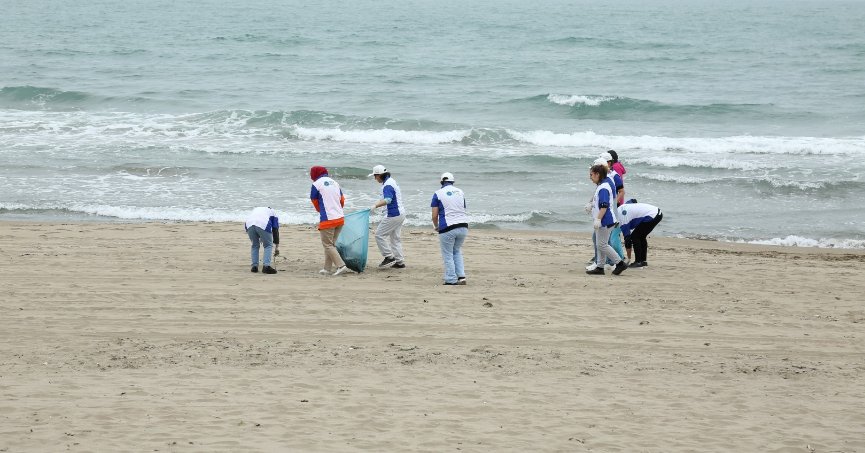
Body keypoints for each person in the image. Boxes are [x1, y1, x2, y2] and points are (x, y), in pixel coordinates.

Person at [587, 164, 627, 276]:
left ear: (597, 174)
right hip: (604, 220)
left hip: (606, 221)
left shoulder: (604, 187)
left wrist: (598, 220)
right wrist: (591, 205)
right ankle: (600, 267)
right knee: (601, 243)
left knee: (602, 244)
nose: (590, 177)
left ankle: (620, 263)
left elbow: (604, 206)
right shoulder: (602, 185)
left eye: (591, 175)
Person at [310, 165, 349, 276]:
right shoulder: (334, 182)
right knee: (331, 244)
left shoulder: (316, 184)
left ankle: (341, 266)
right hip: (340, 218)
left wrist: (320, 211)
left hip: (328, 219)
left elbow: (314, 200)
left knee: (327, 245)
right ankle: (327, 269)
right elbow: (342, 200)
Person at [431, 172, 468, 285]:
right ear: (452, 182)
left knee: (447, 253)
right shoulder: (460, 192)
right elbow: (463, 208)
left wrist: (436, 226)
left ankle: (451, 279)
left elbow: (434, 215)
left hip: (447, 227)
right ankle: (461, 276)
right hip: (463, 226)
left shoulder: (437, 193)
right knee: (456, 251)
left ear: (442, 182)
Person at [369, 165, 406, 269]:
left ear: (379, 175)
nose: (375, 179)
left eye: (375, 176)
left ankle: (389, 257)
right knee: (395, 238)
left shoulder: (387, 185)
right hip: (401, 213)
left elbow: (388, 200)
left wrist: (375, 205)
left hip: (393, 214)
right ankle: (399, 262)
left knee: (379, 235)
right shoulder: (392, 181)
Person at [617, 201, 663, 268]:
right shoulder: (623, 206)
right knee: (641, 237)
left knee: (635, 236)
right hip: (657, 212)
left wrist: (628, 258)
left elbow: (627, 240)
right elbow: (633, 200)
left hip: (651, 215)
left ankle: (638, 262)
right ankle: (643, 262)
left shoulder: (622, 220)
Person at [244, 206, 280, 274]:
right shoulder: (273, 212)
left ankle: (254, 267)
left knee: (255, 245)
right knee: (268, 245)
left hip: (249, 224)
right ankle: (266, 266)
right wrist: (277, 246)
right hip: (262, 223)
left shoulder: (257, 209)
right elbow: (275, 229)